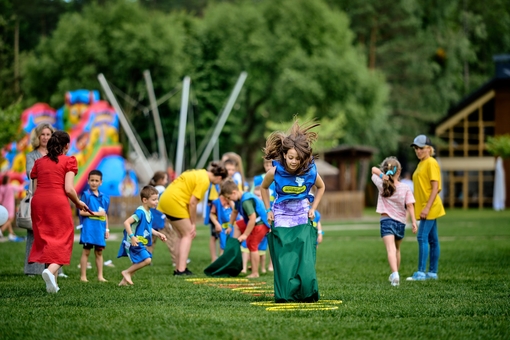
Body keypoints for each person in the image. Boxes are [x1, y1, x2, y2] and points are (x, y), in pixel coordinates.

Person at [260, 119, 325, 302]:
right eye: (290, 157)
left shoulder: (310, 172)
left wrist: (313, 208)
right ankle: (286, 291)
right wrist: (268, 210)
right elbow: (263, 188)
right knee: (284, 252)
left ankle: (305, 290)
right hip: (281, 213)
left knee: (302, 252)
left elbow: (321, 187)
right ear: (284, 155)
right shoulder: (275, 171)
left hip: (301, 212)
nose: (294, 162)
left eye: (298, 158)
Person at [28, 131, 90, 293]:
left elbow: (34, 190)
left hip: (39, 202)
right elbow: (69, 189)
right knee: (63, 239)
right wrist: (78, 202)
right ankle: (50, 270)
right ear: (67, 145)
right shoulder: (69, 161)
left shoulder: (39, 162)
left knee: (48, 239)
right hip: (57, 202)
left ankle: (52, 284)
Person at [158, 161, 228, 275]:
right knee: (188, 234)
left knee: (181, 236)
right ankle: (181, 269)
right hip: (175, 202)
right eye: (221, 181)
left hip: (166, 200)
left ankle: (178, 268)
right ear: (219, 177)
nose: (218, 183)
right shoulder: (205, 181)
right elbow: (193, 203)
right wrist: (193, 223)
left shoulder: (199, 172)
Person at [371, 157, 417, 287]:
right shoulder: (405, 187)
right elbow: (410, 206)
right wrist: (413, 222)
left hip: (386, 221)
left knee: (390, 249)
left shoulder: (381, 183)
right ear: (399, 171)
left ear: (385, 170)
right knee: (397, 249)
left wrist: (382, 175)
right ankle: (395, 274)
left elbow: (373, 170)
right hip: (401, 223)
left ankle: (395, 273)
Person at [407, 135, 445, 281]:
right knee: (433, 240)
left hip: (429, 207)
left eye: (421, 148)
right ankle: (432, 273)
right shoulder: (421, 163)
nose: (418, 151)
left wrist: (426, 208)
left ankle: (421, 273)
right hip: (425, 206)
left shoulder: (431, 163)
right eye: (416, 148)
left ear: (429, 149)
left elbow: (435, 188)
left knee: (422, 237)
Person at [24, 123, 58, 276]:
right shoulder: (31, 156)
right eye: (42, 134)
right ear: (38, 137)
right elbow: (31, 173)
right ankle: (33, 269)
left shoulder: (56, 155)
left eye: (48, 134)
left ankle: (54, 269)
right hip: (37, 197)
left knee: (55, 233)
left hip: (54, 198)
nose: (45, 137)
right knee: (35, 233)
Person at [117, 185, 167, 286]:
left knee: (138, 261)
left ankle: (123, 282)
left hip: (139, 240)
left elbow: (148, 228)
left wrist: (158, 233)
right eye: (154, 200)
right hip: (133, 241)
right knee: (147, 259)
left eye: (157, 199)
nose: (157, 202)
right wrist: (132, 237)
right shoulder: (140, 212)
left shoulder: (149, 213)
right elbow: (126, 222)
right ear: (145, 200)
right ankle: (126, 272)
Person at [221, 178, 270, 278]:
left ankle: (255, 272)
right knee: (237, 224)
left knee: (252, 245)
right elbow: (235, 212)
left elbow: (252, 219)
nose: (229, 200)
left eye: (229, 198)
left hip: (260, 224)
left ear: (234, 192)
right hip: (253, 222)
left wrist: (245, 235)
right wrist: (230, 226)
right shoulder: (239, 199)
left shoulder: (246, 201)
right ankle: (235, 246)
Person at [79, 170, 110, 282]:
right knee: (86, 251)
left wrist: (107, 228)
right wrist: (96, 214)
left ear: (101, 182)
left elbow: (105, 214)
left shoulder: (105, 197)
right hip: (89, 228)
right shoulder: (86, 195)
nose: (94, 183)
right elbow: (81, 212)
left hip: (100, 229)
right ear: (88, 181)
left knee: (99, 252)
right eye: (92, 180)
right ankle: (83, 276)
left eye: (96, 181)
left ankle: (100, 276)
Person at [147, 171, 169, 255]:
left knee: (150, 240)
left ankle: (146, 259)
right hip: (161, 217)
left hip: (151, 217)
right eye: (165, 179)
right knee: (171, 239)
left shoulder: (150, 189)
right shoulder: (162, 190)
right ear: (160, 180)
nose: (166, 181)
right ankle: (177, 260)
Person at [0, 173, 25, 242]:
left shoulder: (1, 187)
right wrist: (25, 183)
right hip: (10, 205)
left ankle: (12, 234)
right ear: (7, 180)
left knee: (7, 219)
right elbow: (20, 188)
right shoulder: (10, 186)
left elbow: (0, 199)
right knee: (10, 219)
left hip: (4, 205)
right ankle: (1, 231)